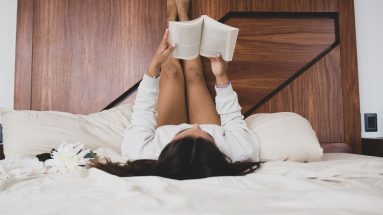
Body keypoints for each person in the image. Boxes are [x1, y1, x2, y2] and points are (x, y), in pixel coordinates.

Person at [91, 0, 261, 180]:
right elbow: (232, 119)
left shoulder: (141, 152)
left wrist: (154, 65)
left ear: (168, 150)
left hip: (166, 128)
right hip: (207, 138)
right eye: (206, 135)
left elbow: (143, 111)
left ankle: (171, 21)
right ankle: (186, 20)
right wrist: (221, 76)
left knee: (171, 72)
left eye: (184, 132)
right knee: (194, 76)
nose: (195, 125)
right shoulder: (241, 151)